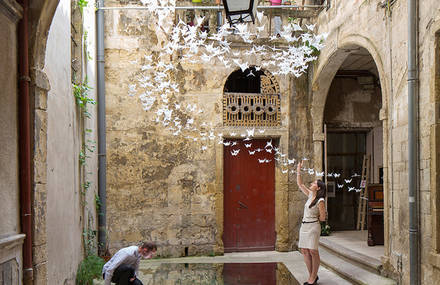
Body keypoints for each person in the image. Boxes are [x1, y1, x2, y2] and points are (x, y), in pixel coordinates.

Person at [296, 161, 326, 285]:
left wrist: (314, 221)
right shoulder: (310, 195)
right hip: (304, 226)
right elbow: (300, 184)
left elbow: (323, 218)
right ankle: (312, 276)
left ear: (318, 188)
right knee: (304, 250)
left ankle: (312, 278)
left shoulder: (320, 200)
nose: (312, 183)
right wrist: (298, 169)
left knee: (313, 251)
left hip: (313, 226)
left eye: (314, 183)